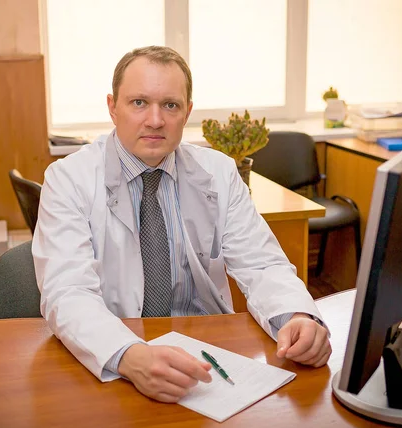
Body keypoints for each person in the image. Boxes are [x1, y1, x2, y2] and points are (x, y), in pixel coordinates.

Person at [32, 45, 331, 403]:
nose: (155, 120)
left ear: (187, 111)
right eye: (139, 103)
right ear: (113, 107)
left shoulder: (219, 172)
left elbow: (261, 263)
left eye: (170, 105)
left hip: (210, 361)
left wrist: (297, 317)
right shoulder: (68, 179)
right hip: (115, 354)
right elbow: (68, 292)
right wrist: (128, 355)